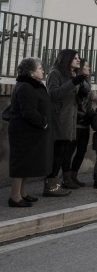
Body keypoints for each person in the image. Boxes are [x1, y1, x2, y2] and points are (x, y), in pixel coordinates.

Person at [7, 57, 52, 208]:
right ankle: (15, 197)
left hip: (31, 131)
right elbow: (28, 112)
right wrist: (43, 122)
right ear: (32, 72)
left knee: (26, 163)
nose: (42, 71)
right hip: (24, 131)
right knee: (20, 164)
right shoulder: (25, 86)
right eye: (40, 68)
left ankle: (23, 193)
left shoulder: (33, 85)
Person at [45, 49, 86, 197]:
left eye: (78, 57)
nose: (78, 60)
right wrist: (73, 82)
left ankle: (55, 184)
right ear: (67, 59)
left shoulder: (72, 74)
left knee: (62, 152)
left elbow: (71, 95)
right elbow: (53, 94)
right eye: (75, 58)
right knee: (57, 152)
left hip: (69, 118)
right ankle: (50, 185)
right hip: (59, 118)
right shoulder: (55, 73)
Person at [64, 59, 93, 188]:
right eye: (86, 66)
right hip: (76, 121)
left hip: (85, 121)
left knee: (82, 150)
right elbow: (77, 100)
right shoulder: (76, 81)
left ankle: (74, 175)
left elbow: (88, 102)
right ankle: (66, 177)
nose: (89, 68)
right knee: (69, 151)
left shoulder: (87, 81)